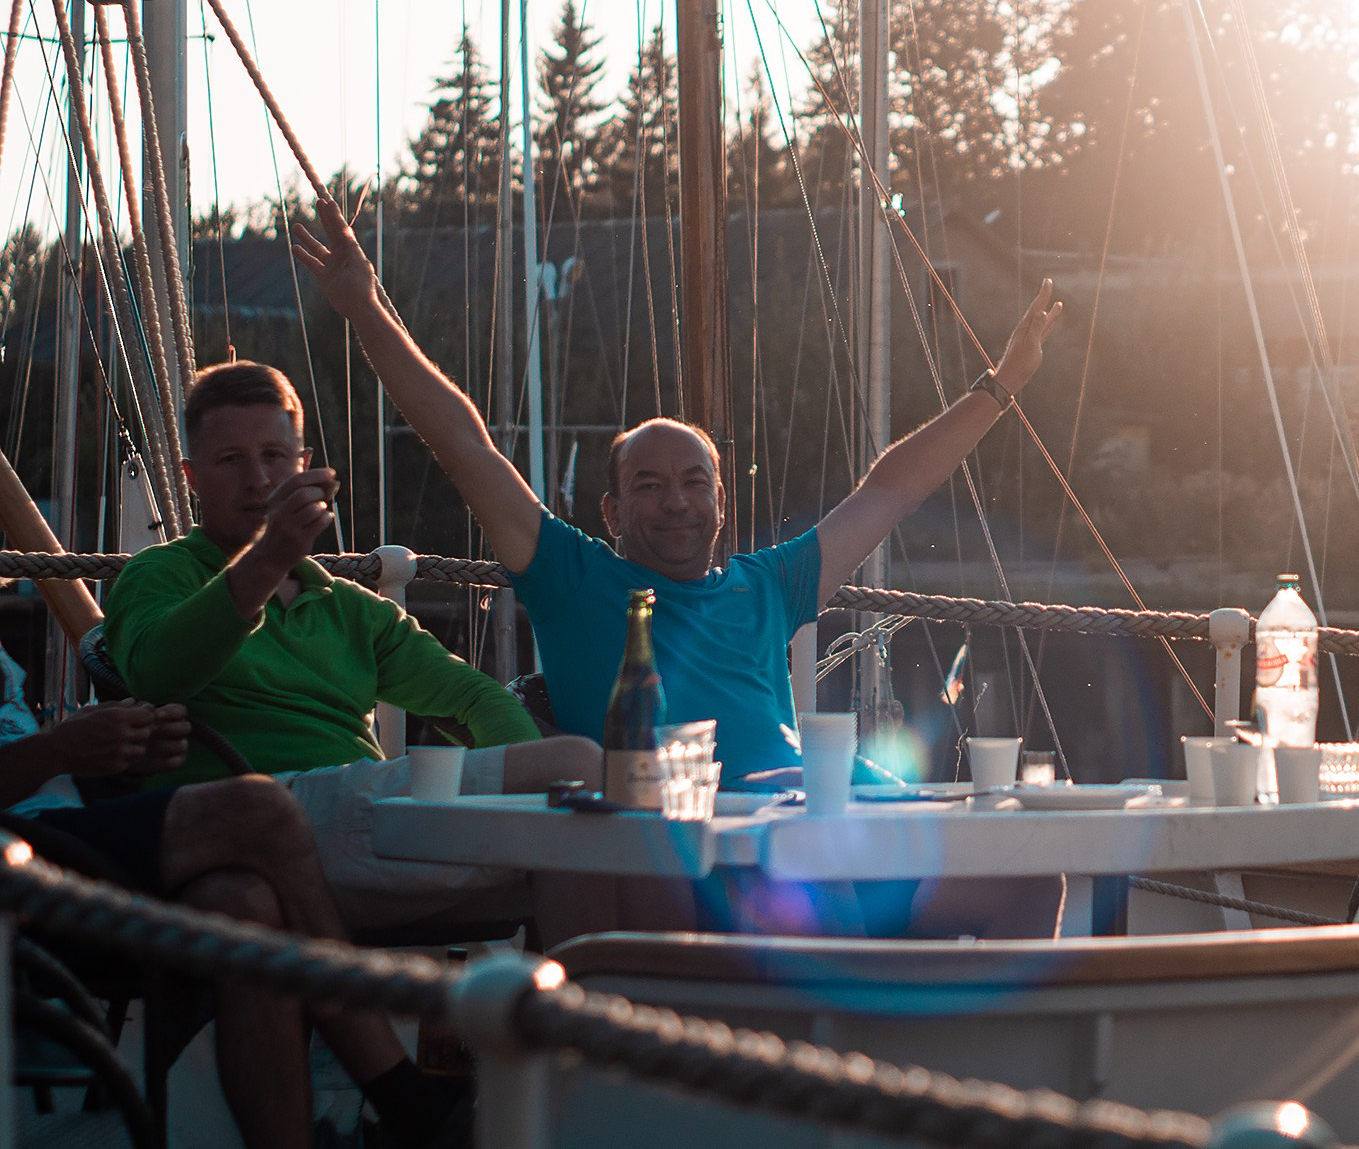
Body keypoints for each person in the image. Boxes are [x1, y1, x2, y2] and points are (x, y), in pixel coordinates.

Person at [294, 193, 1070, 938]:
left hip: (846, 817)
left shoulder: (773, 582)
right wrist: (367, 310)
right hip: (734, 853)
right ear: (611, 511)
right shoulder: (573, 577)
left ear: (721, 502)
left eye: (695, 483)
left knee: (1035, 879)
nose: (676, 503)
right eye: (649, 485)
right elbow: (466, 447)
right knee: (802, 887)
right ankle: (848, 1050)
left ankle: (945, 1059)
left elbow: (891, 489)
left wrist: (1001, 386)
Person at [103, 360, 646, 941]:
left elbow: (472, 696)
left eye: (274, 458)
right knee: (577, 769)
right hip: (244, 820)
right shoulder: (158, 575)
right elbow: (156, 674)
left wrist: (514, 804)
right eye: (231, 461)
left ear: (304, 467)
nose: (258, 480)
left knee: (575, 814)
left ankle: (588, 1017)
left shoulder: (352, 608)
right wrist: (268, 557)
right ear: (191, 476)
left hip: (358, 823)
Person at [0, 647, 469, 1149]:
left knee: (244, 903)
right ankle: (400, 1093)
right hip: (23, 865)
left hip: (54, 837)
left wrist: (111, 757)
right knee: (259, 807)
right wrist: (57, 751)